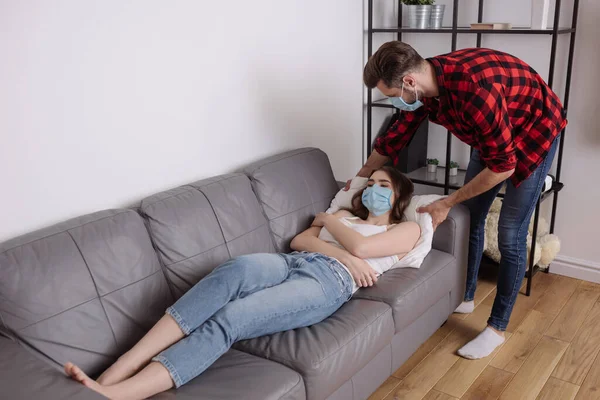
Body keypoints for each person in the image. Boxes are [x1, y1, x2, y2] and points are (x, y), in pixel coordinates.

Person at [64, 167, 421, 399]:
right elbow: (300, 241)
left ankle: (119, 394)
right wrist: (343, 244)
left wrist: (330, 224)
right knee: (233, 270)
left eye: (383, 185)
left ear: (399, 195)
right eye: (370, 183)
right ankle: (119, 368)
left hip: (329, 282)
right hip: (294, 261)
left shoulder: (405, 229)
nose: (373, 189)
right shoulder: (344, 214)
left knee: (234, 316)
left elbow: (362, 246)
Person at [351, 41, 565, 360]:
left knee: (510, 234)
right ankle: (465, 296)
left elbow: (504, 166)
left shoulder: (474, 92)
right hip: (493, 136)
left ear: (409, 82)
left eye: (394, 94)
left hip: (535, 130)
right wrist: (360, 177)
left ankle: (496, 327)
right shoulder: (425, 85)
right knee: (471, 219)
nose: (397, 102)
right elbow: (397, 134)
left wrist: (447, 202)